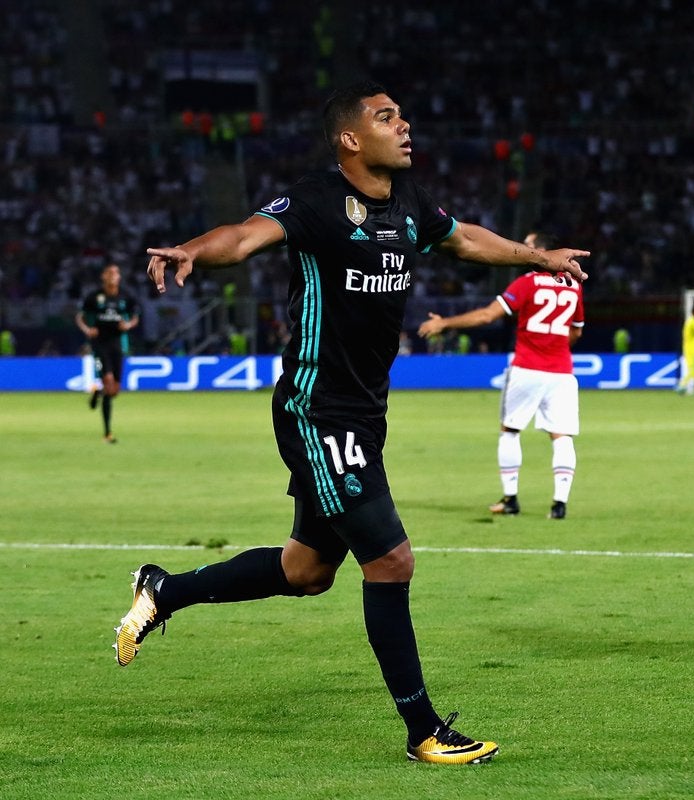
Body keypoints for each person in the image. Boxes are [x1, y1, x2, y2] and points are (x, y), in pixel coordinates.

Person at [114, 81, 589, 765]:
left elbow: (463, 240)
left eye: (402, 116)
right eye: (386, 117)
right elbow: (244, 237)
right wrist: (192, 249)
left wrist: (538, 256)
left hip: (364, 414)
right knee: (391, 560)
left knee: (307, 570)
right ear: (350, 138)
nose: (404, 125)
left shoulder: (410, 202)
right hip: (318, 410)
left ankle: (165, 590)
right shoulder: (315, 200)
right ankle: (424, 731)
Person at [417, 230, 583, 519]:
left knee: (510, 431)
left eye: (529, 245)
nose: (524, 249)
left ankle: (511, 499)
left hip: (527, 368)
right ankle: (559, 505)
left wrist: (445, 323)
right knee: (561, 436)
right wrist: (552, 347)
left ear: (543, 250)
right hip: (561, 371)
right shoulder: (573, 287)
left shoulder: (526, 283)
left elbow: (486, 315)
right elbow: (576, 331)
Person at [75, 263, 140, 443]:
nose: (113, 275)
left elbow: (135, 317)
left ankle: (98, 392)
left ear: (119, 277)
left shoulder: (125, 297)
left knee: (114, 391)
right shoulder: (94, 297)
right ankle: (107, 433)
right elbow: (79, 317)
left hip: (117, 344)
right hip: (100, 344)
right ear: (103, 276)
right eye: (110, 273)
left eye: (116, 273)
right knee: (109, 380)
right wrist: (88, 330)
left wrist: (128, 325)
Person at [675, 303, 694, 397]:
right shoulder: (693, 322)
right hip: (693, 350)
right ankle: (682, 385)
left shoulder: (689, 321)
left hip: (688, 349)